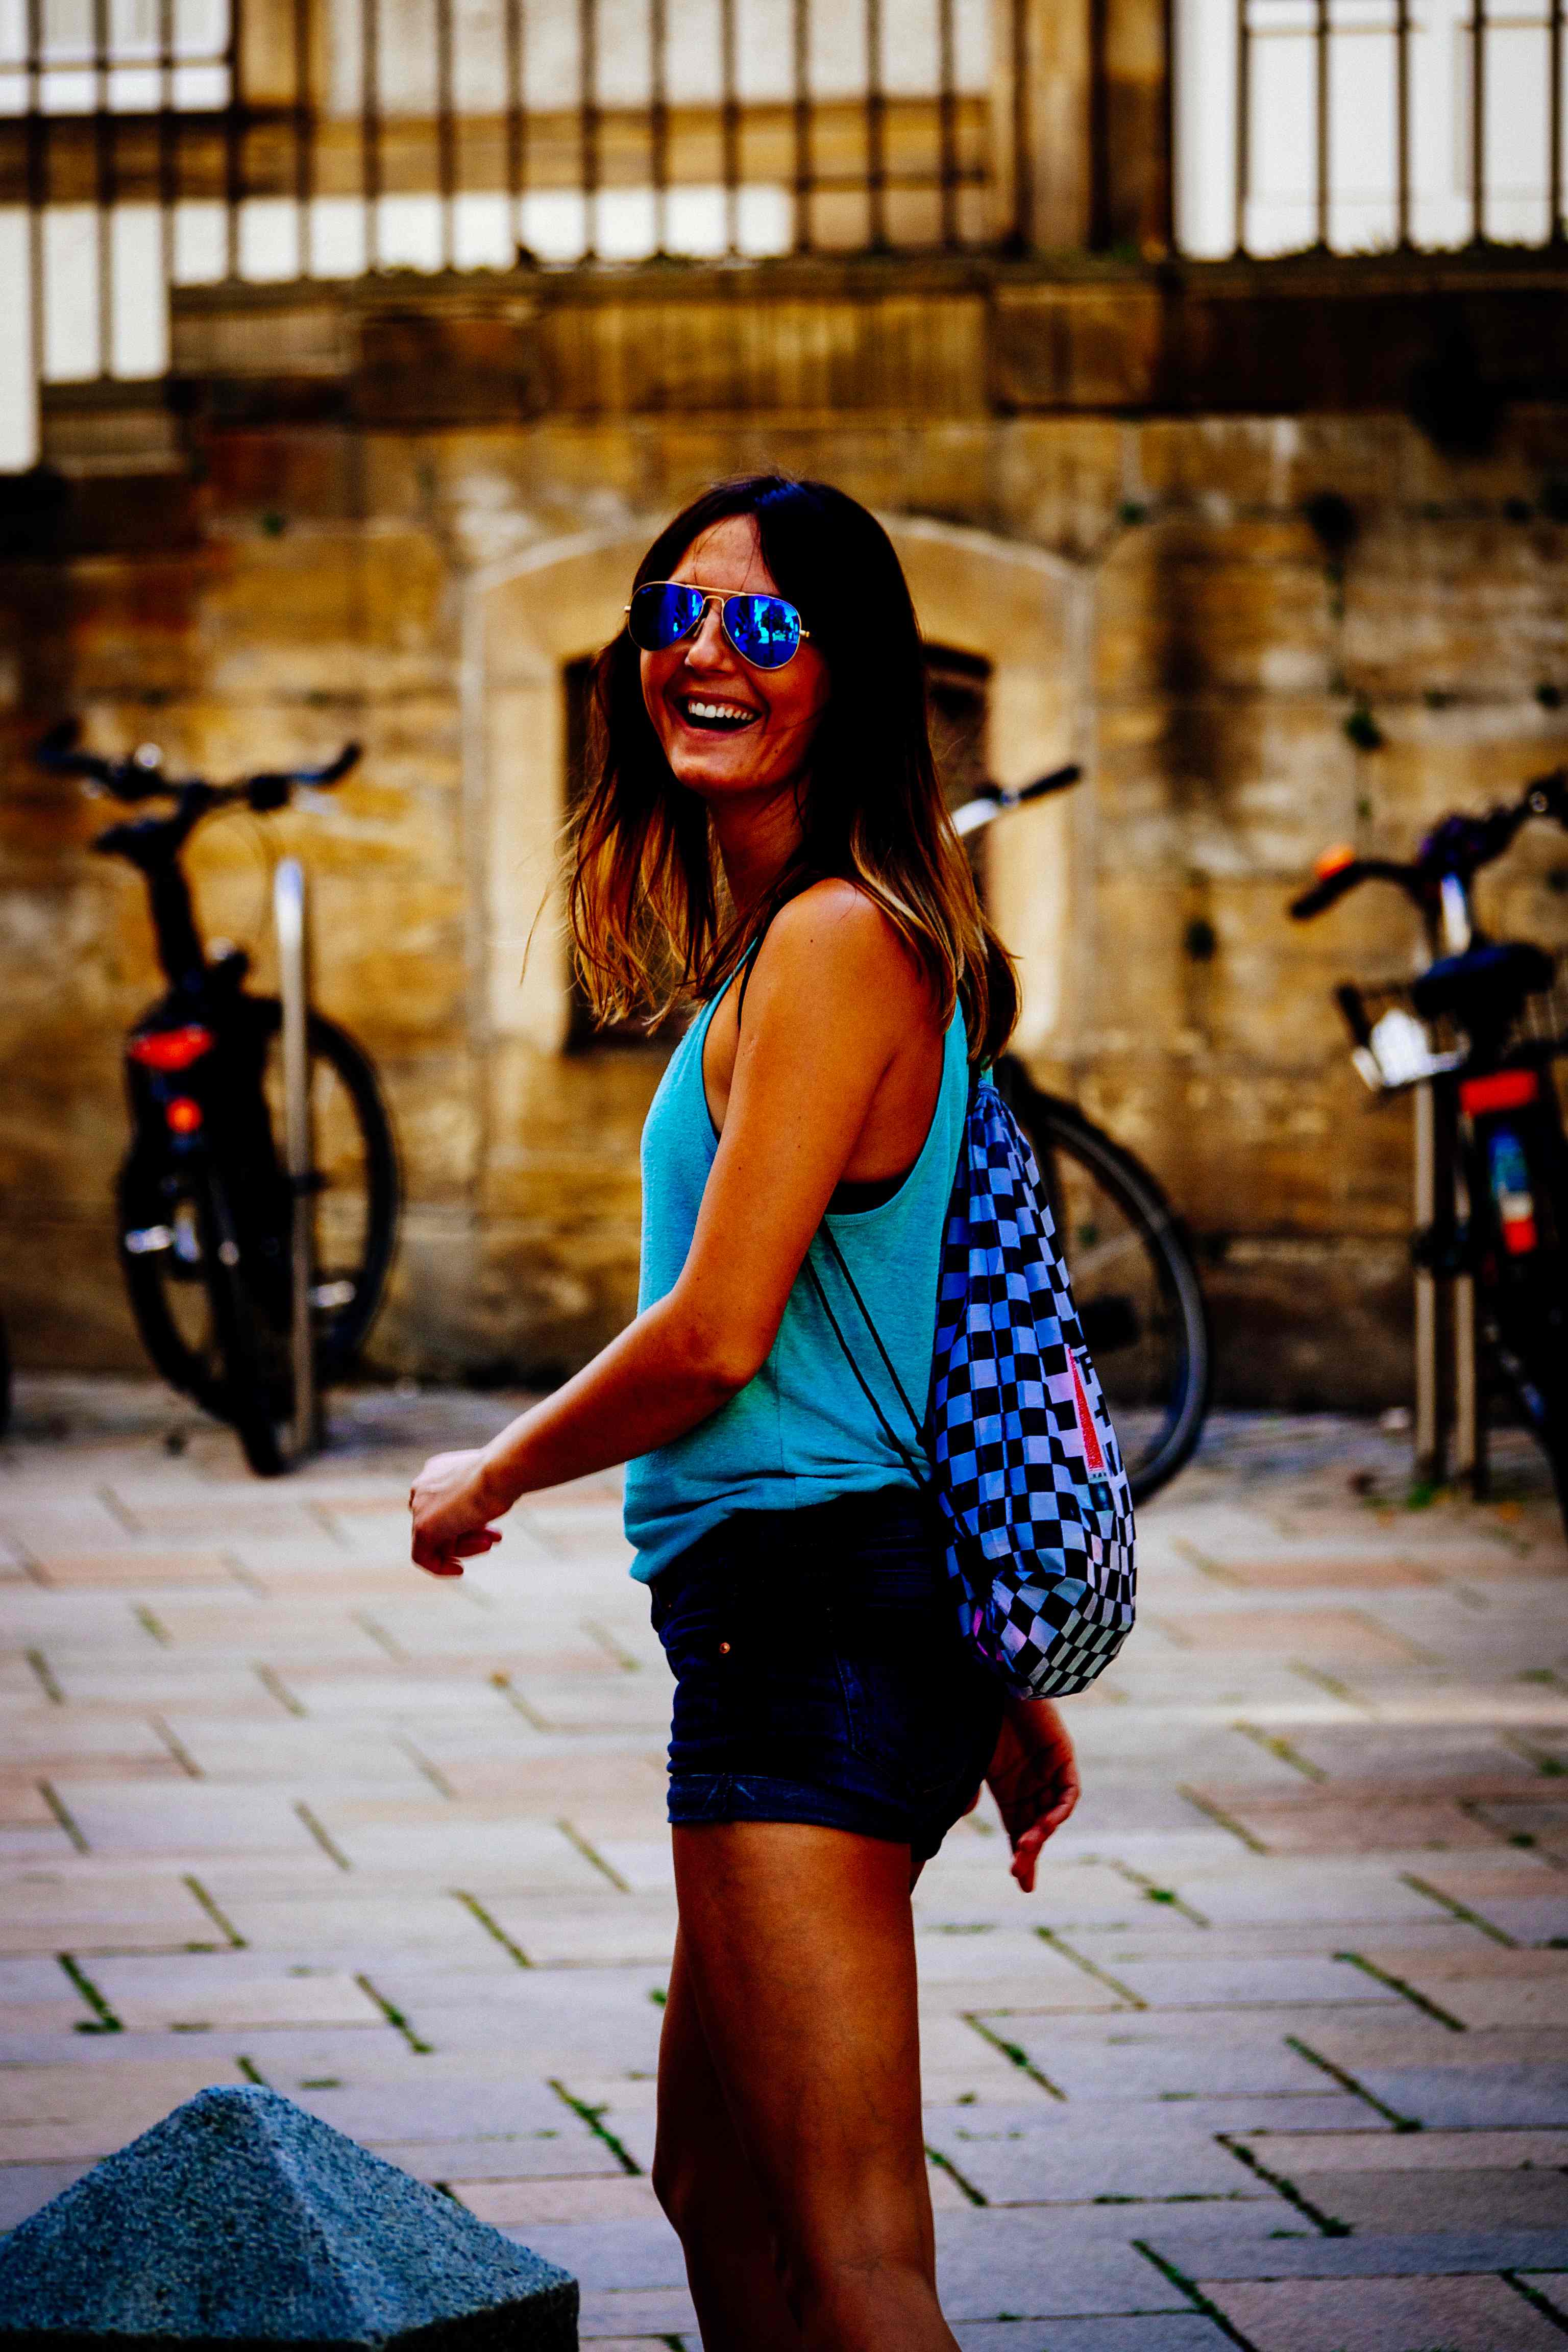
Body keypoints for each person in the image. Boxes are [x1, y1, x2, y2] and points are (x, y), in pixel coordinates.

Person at [409, 475, 1082, 2352]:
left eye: (767, 624)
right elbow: (886, 1342)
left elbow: (718, 1337)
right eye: (677, 613)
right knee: (716, 2186)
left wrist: (491, 1474)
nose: (707, 652)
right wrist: (986, 1675)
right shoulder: (806, 934)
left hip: (808, 1629)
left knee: (853, 2249)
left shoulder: (837, 943)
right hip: (830, 1619)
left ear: (845, 677)